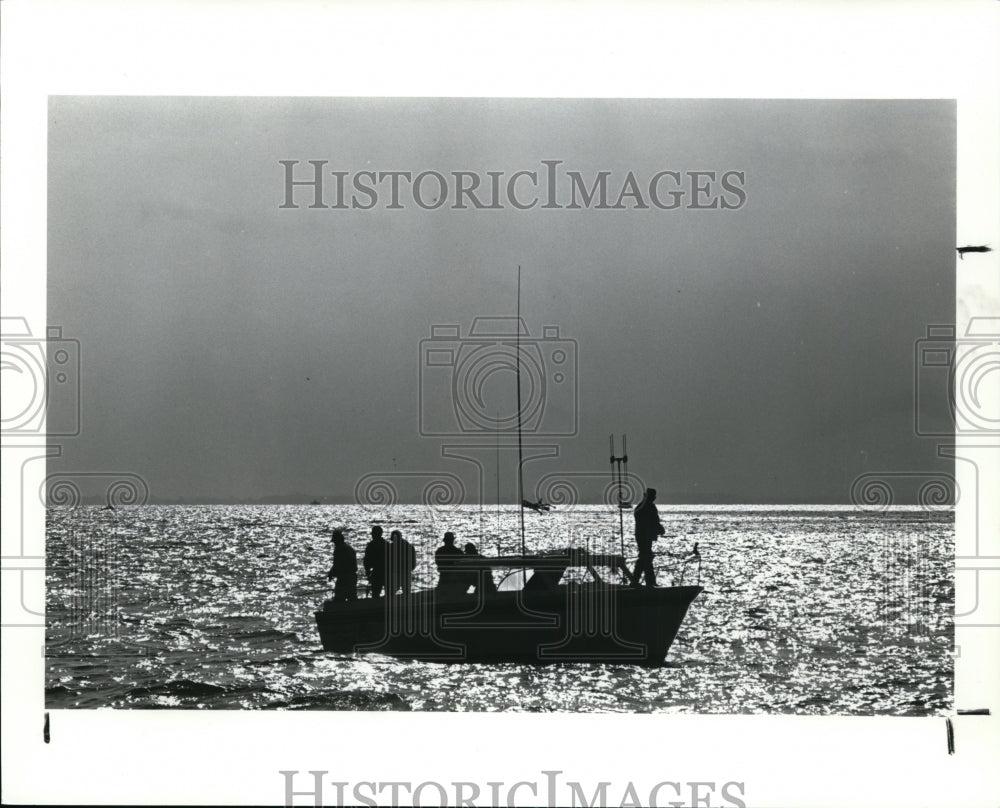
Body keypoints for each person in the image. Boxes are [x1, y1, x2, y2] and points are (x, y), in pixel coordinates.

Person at [632, 487, 665, 587]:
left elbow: (653, 522)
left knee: (644, 557)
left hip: (643, 536)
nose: (654, 497)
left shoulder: (641, 507)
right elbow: (653, 522)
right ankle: (648, 582)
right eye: (652, 496)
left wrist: (658, 529)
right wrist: (659, 529)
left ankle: (638, 581)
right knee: (646, 557)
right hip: (644, 536)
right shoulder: (648, 507)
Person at [326, 528, 358, 602]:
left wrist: (331, 573)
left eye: (335, 541)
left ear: (337, 540)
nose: (334, 543)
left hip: (343, 578)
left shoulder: (339, 550)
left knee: (339, 600)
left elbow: (337, 564)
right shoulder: (350, 549)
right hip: (352, 577)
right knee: (352, 599)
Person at [387, 529, 417, 596]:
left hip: (395, 573)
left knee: (391, 594)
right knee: (406, 594)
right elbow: (413, 563)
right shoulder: (409, 546)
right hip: (406, 573)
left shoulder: (390, 547)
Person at [363, 526, 389, 597]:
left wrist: (367, 571)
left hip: (377, 572)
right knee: (389, 594)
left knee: (375, 593)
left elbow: (367, 560)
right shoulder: (387, 544)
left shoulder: (371, 545)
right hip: (387, 572)